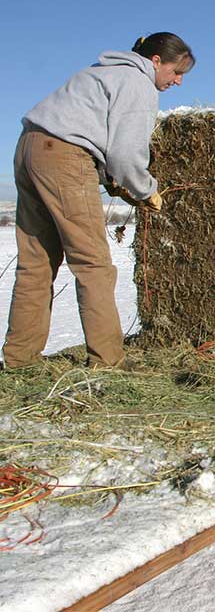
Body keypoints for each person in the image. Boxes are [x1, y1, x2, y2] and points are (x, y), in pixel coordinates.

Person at [3, 32, 195, 369]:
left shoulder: (102, 72)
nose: (177, 81)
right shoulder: (137, 83)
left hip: (29, 147)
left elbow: (97, 136)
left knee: (36, 263)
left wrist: (110, 178)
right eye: (176, 72)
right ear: (155, 61)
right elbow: (124, 152)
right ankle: (108, 360)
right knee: (93, 264)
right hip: (63, 155)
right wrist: (145, 189)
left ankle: (20, 360)